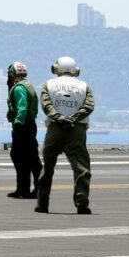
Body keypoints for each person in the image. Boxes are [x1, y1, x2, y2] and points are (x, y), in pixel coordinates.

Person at [36, 56, 95, 215]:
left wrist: (60, 118)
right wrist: (73, 118)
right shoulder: (84, 86)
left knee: (47, 168)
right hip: (77, 129)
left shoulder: (48, 84)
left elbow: (46, 105)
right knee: (82, 168)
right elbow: (89, 106)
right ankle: (82, 203)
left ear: (57, 69)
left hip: (55, 128)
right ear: (75, 70)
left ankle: (42, 204)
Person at [5, 61, 40, 199]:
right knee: (28, 157)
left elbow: (22, 106)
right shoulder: (27, 85)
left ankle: (26, 188)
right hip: (30, 125)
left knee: (21, 157)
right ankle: (26, 188)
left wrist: (18, 123)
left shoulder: (19, 88)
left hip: (23, 126)